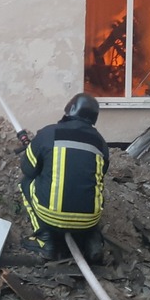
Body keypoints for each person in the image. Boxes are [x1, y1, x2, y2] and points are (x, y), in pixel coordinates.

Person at [19, 93, 110, 263]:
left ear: (70, 109)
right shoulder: (100, 142)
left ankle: (45, 240)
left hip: (50, 216)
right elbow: (100, 177)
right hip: (88, 220)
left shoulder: (48, 133)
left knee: (25, 183)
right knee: (94, 189)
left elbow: (28, 170)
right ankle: (92, 240)